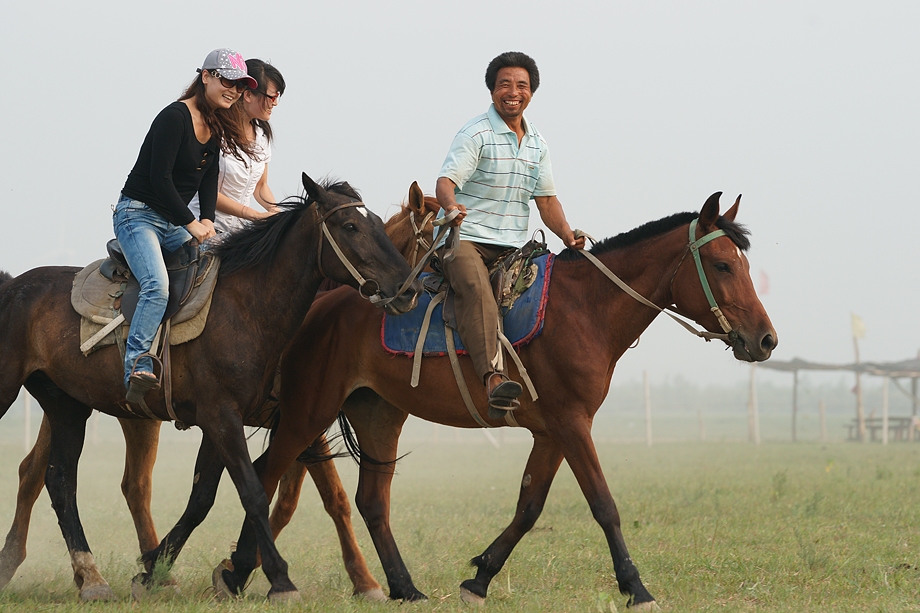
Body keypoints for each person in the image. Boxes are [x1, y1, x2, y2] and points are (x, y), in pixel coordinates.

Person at [435, 51, 586, 415]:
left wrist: (567, 234)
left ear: (531, 92)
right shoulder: (475, 134)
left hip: (514, 246)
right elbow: (444, 183)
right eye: (505, 84)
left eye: (521, 85)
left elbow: (547, 201)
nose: (513, 91)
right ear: (492, 91)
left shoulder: (538, 145)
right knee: (476, 288)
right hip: (465, 239)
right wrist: (452, 207)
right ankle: (493, 377)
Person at [114, 48, 257, 402]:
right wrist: (192, 223)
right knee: (157, 285)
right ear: (205, 76)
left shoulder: (216, 125)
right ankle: (136, 365)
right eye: (227, 81)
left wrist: (208, 219)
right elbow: (159, 180)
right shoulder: (174, 117)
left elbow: (208, 180)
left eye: (239, 85)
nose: (234, 91)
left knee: (221, 267)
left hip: (174, 220)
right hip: (138, 214)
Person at [188, 59, 286, 233]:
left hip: (237, 233)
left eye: (277, 97)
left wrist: (276, 212)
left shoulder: (262, 135)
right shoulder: (214, 130)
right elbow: (205, 189)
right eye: (272, 97)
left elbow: (260, 186)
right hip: (203, 227)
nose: (275, 103)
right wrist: (253, 215)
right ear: (248, 95)